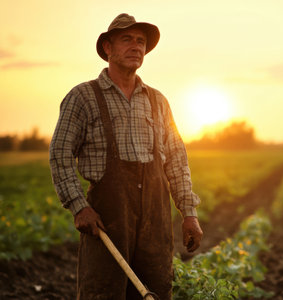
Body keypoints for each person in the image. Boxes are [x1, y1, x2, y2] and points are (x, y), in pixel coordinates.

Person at [49, 13, 203, 300]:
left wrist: (188, 213)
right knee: (103, 291)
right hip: (107, 221)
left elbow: (177, 159)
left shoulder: (158, 101)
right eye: (127, 40)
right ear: (108, 48)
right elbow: (59, 154)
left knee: (155, 288)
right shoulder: (83, 97)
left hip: (155, 221)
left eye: (141, 42)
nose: (137, 47)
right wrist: (79, 207)